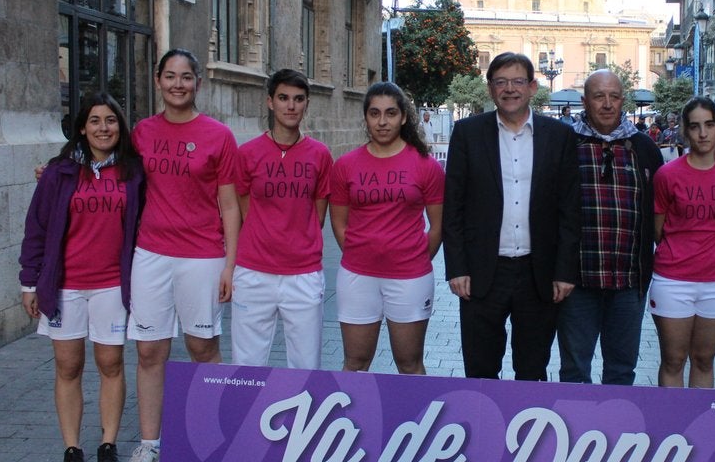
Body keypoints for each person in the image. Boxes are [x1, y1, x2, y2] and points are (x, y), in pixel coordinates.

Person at [120, 48, 241, 462]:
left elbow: (229, 204)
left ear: (197, 84)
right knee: (150, 351)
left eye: (186, 77)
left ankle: (215, 439)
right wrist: (58, 171)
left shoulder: (218, 136)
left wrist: (231, 264)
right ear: (158, 81)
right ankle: (150, 444)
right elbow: (111, 174)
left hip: (202, 258)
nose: (177, 84)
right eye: (170, 76)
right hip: (151, 254)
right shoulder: (141, 133)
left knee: (202, 349)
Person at [20, 93, 144, 462]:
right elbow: (37, 228)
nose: (103, 128)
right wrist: (29, 281)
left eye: (111, 120)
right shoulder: (58, 173)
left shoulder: (133, 172)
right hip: (65, 288)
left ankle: (108, 445)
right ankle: (72, 451)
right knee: (68, 367)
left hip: (111, 285)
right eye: (95, 121)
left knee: (110, 365)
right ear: (81, 128)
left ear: (120, 127)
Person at [443, 52, 581, 380]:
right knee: (480, 369)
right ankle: (482, 427)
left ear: (532, 86)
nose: (510, 89)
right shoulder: (467, 133)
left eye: (518, 81)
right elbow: (454, 206)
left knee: (532, 369)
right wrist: (457, 268)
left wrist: (564, 271)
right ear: (490, 89)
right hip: (481, 274)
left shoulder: (559, 136)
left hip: (539, 274)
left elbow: (569, 210)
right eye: (501, 82)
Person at [556, 70, 663, 385]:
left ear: (622, 101)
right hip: (577, 281)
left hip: (628, 281)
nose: (606, 104)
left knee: (621, 370)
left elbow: (659, 210)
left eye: (613, 97)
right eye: (598, 96)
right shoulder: (566, 144)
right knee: (575, 370)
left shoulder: (643, 148)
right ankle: (575, 431)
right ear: (584, 101)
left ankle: (616, 428)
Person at [330, 82, 445, 374]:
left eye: (391, 113)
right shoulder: (346, 165)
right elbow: (339, 224)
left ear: (403, 117)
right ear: (366, 117)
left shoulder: (426, 166)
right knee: (355, 364)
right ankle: (349, 419)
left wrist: (414, 257)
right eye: (375, 113)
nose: (382, 122)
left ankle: (417, 420)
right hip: (357, 276)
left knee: (409, 364)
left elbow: (438, 226)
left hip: (410, 278)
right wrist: (363, 255)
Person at [230, 69, 333, 369]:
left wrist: (296, 239)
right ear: (270, 102)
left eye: (299, 99)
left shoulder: (320, 155)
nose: (291, 106)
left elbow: (318, 212)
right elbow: (245, 208)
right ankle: (247, 417)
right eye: (284, 98)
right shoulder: (248, 154)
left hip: (303, 274)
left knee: (306, 365)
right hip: (253, 272)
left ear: (306, 104)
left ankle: (298, 418)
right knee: (247, 365)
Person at [650, 97, 715, 388]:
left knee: (705, 360)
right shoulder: (667, 175)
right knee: (673, 360)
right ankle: (671, 430)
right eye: (695, 127)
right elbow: (659, 231)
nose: (703, 133)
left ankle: (697, 433)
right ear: (685, 131)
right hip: (672, 280)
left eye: (709, 125)